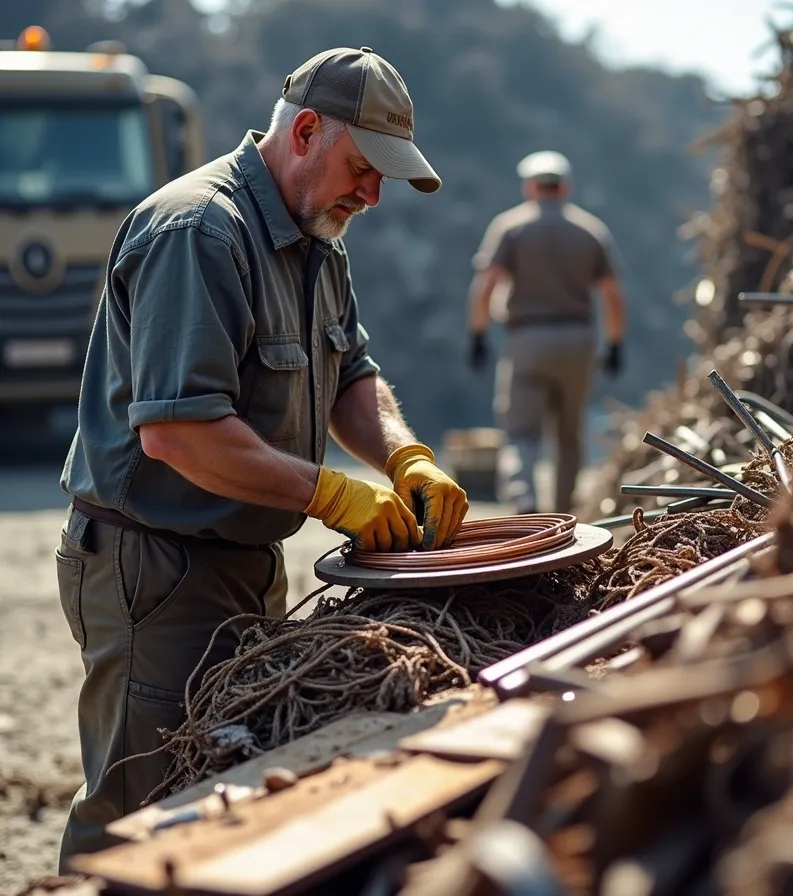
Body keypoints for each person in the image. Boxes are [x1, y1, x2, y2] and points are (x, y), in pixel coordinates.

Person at [55, 46, 469, 865]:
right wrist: (333, 495)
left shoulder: (318, 232)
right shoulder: (199, 231)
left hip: (237, 556)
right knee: (140, 811)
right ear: (306, 131)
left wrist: (405, 456)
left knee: (221, 791)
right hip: (154, 569)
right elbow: (179, 433)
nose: (373, 193)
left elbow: (352, 371)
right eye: (364, 167)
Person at [466, 150, 627, 515]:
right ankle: (562, 516)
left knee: (521, 432)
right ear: (565, 186)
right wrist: (616, 343)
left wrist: (477, 333)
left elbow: (486, 284)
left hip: (527, 340)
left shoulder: (510, 227)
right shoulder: (590, 230)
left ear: (530, 186)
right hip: (578, 341)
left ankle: (524, 503)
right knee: (568, 436)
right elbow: (613, 294)